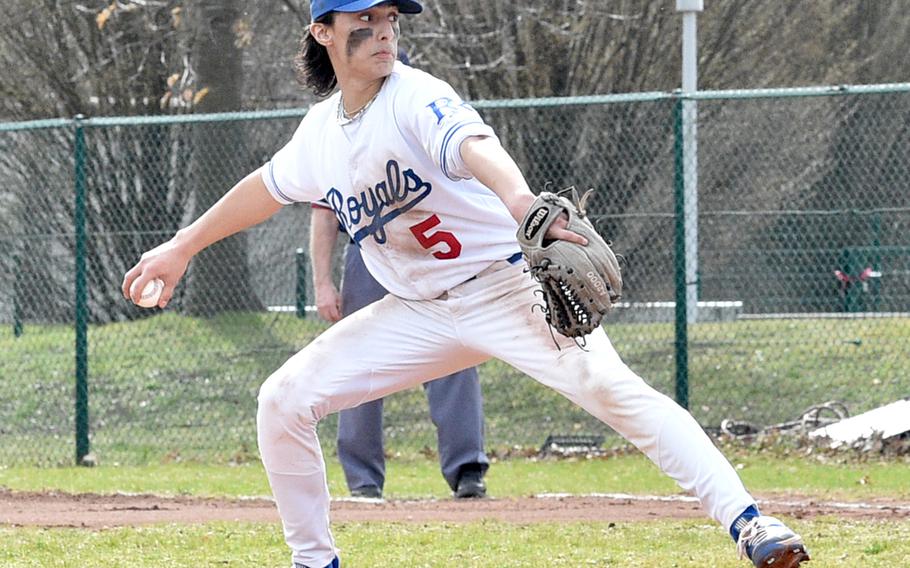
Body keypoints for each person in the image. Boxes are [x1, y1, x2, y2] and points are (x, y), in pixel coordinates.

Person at [122, 1, 810, 567]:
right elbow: (265, 189)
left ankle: (751, 524)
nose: (384, 30)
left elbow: (476, 148)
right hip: (416, 311)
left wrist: (521, 206)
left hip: (505, 289)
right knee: (282, 400)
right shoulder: (319, 135)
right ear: (322, 32)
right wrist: (181, 248)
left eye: (391, 17)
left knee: (610, 388)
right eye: (364, 18)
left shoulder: (416, 96)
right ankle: (313, 561)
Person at [310, 198, 489, 499]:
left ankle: (467, 469)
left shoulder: (425, 148)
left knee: (454, 353)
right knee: (360, 364)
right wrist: (322, 283)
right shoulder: (336, 151)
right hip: (368, 250)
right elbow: (324, 212)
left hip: (428, 248)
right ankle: (363, 479)